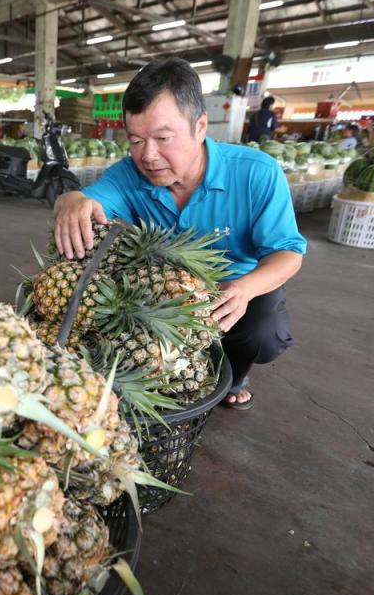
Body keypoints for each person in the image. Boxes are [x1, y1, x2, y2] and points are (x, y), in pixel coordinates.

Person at [53, 57, 306, 411]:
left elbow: (288, 252)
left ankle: (236, 369)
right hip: (158, 292)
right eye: (136, 140)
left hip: (233, 288)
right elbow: (89, 202)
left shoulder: (256, 173)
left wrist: (244, 289)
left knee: (264, 333)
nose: (149, 156)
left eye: (163, 138)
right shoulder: (128, 175)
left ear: (200, 126)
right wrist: (70, 198)